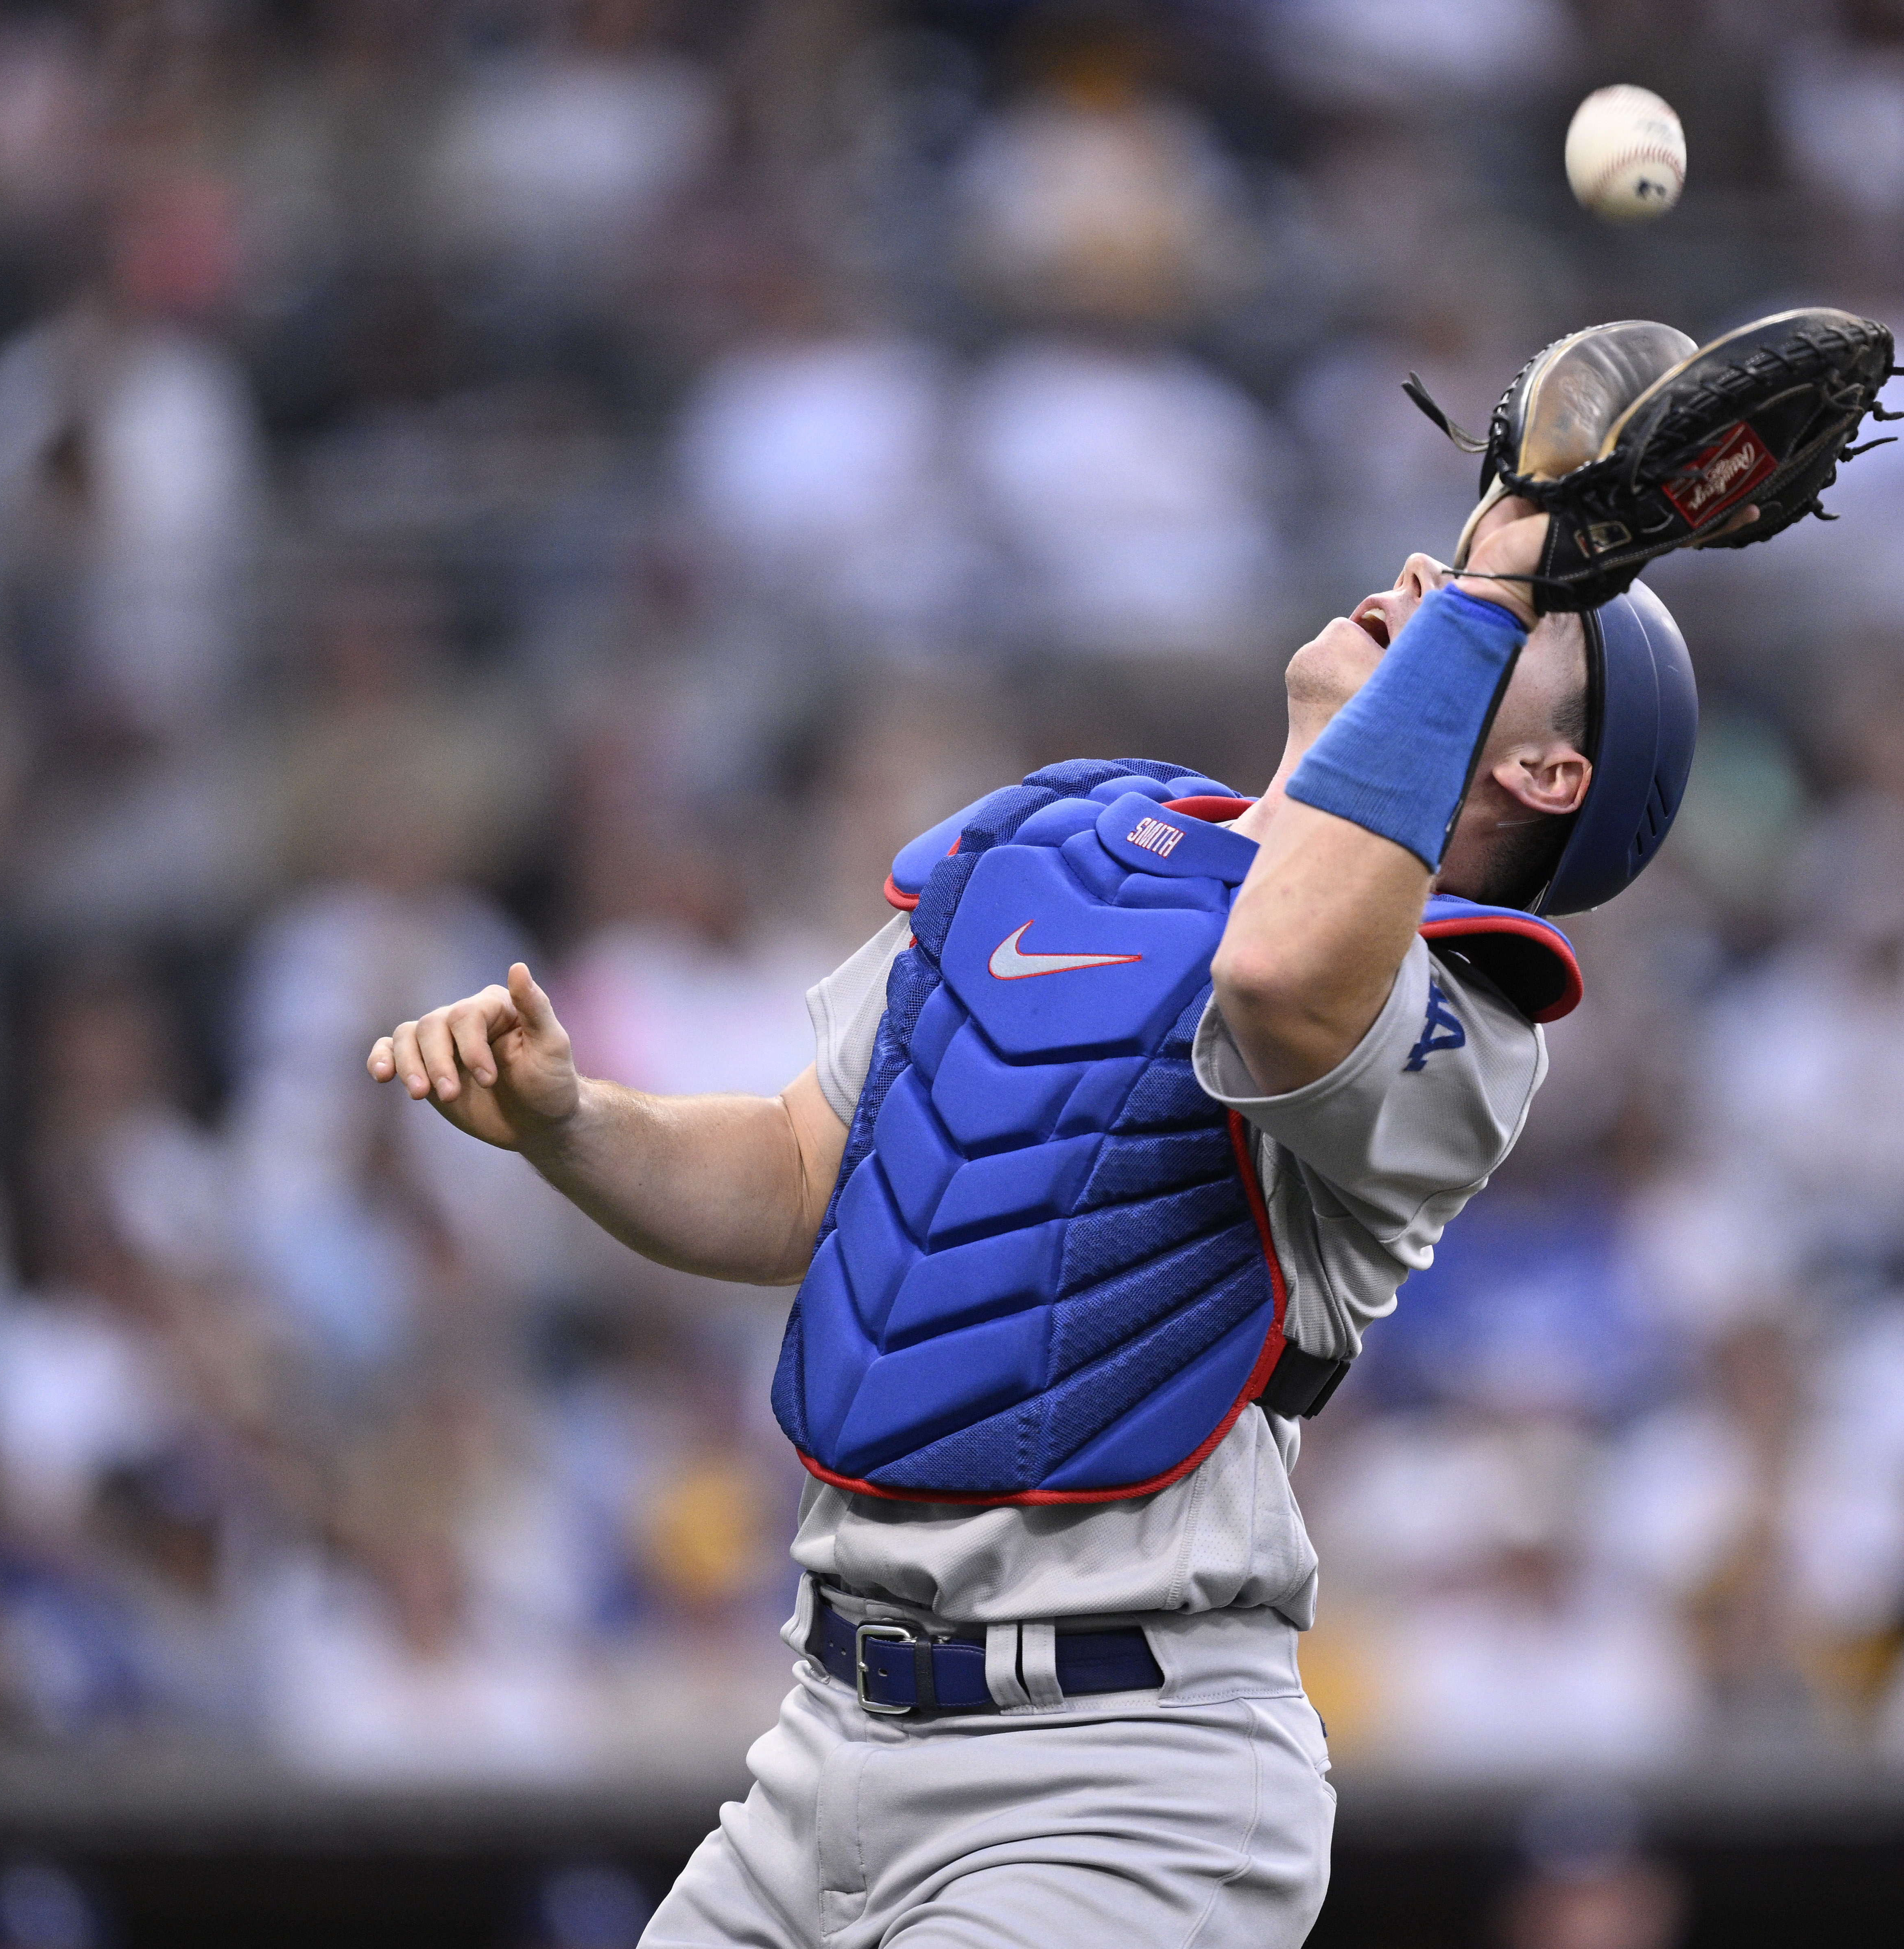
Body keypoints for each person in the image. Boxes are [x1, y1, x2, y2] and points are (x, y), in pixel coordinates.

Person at [369, 327, 1705, 1947]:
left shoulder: (1466, 1011)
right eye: (1473, 560)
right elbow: (803, 1172)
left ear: (1547, 766)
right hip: (824, 1743)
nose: (1436, 565)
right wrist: (570, 1123)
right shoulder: (1064, 837)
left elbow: (1284, 972)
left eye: (1521, 608)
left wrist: (1501, 586)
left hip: (1123, 1786)